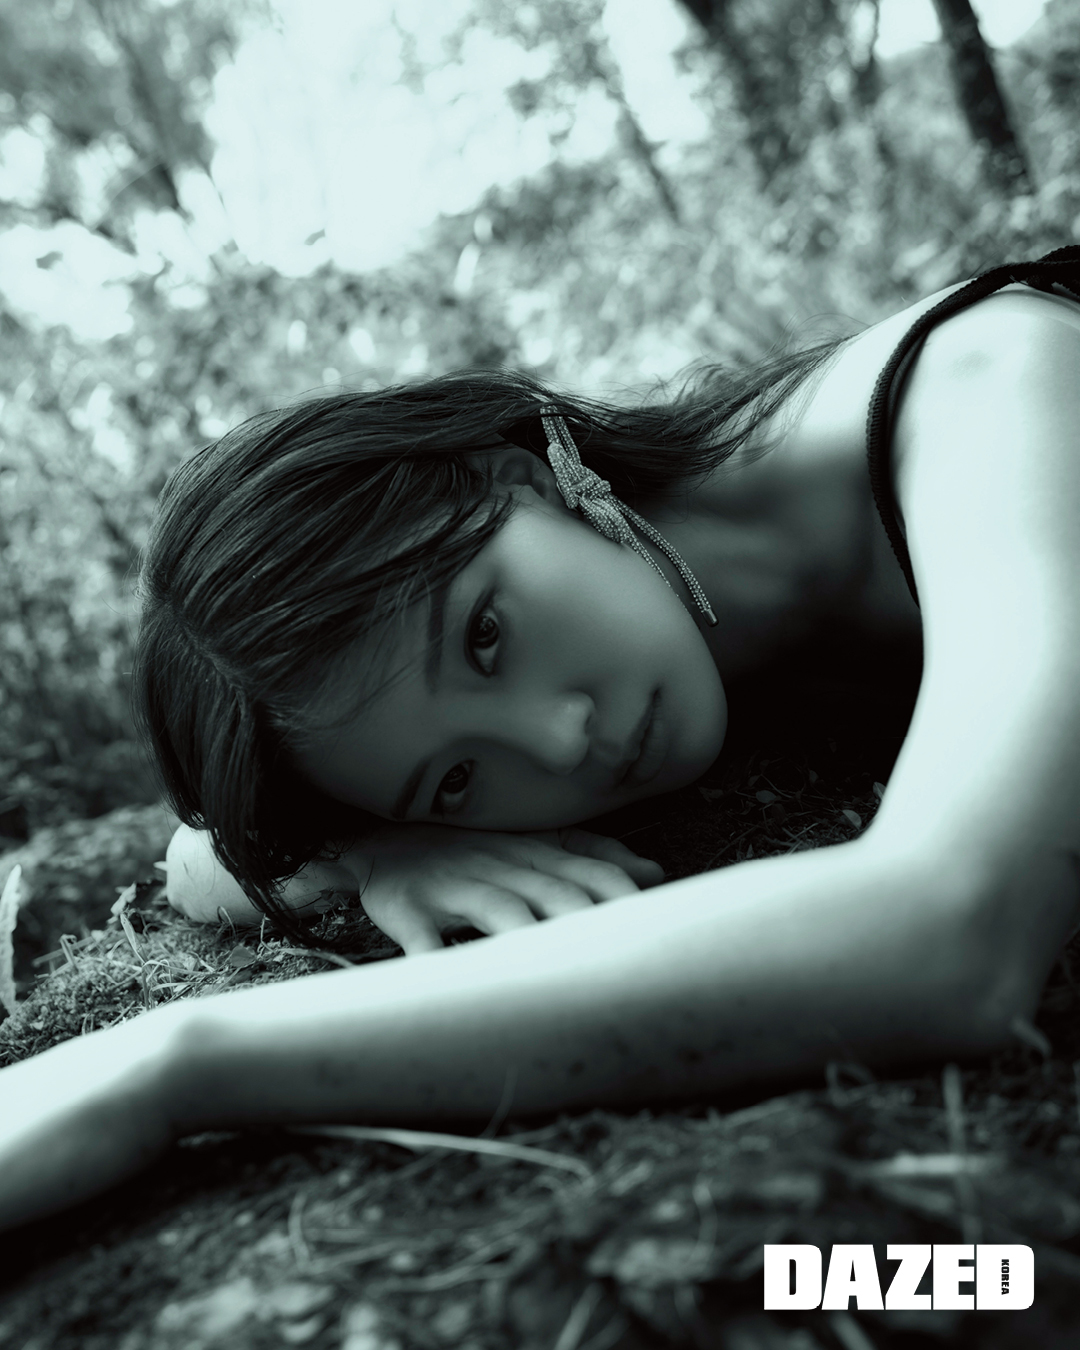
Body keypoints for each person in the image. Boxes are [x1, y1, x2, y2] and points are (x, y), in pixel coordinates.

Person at [3, 249, 1080, 1236]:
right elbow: (198, 858)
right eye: (458, 777)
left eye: (484, 636)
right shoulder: (637, 615)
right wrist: (383, 849)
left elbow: (954, 929)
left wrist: (179, 1066)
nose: (563, 741)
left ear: (521, 477)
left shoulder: (995, 391)